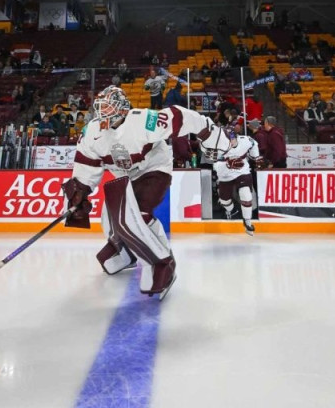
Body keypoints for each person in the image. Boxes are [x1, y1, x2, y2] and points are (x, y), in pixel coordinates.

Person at [61, 85, 224, 300]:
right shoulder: (92, 131)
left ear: (122, 107)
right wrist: (79, 193)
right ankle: (125, 252)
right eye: (102, 109)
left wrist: (208, 132)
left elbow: (180, 116)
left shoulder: (143, 120)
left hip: (153, 169)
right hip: (125, 177)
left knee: (135, 215)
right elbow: (86, 166)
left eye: (109, 108)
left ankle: (162, 262)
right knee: (109, 219)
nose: (104, 114)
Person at [206, 126, 264, 235]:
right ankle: (230, 211)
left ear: (235, 137)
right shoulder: (217, 147)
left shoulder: (245, 140)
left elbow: (254, 144)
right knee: (224, 200)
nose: (231, 142)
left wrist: (256, 157)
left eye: (232, 139)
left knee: (246, 194)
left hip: (242, 171)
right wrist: (227, 164)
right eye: (228, 140)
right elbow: (213, 164)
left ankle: (247, 221)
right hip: (225, 174)